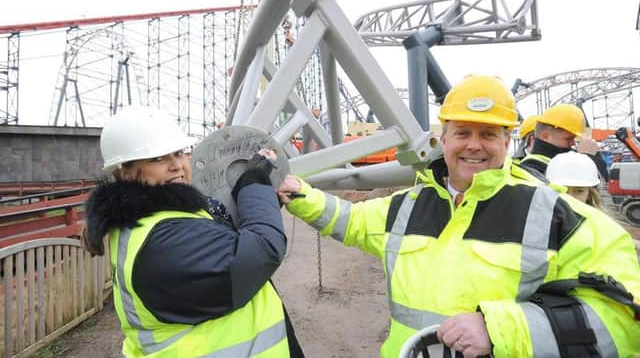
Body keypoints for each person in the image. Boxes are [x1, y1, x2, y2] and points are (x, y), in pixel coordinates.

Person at [278, 75, 640, 358]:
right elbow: (351, 222)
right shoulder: (406, 206)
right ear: (444, 139)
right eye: (462, 132)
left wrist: (500, 330)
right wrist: (297, 192)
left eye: (488, 134)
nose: (473, 144)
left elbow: (624, 318)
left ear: (508, 141)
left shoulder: (558, 216)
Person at [81, 106, 304, 358]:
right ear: (124, 171)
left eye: (179, 153)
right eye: (158, 158)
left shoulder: (154, 215)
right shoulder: (164, 240)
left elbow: (219, 232)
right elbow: (261, 250)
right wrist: (254, 184)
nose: (176, 166)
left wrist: (263, 201)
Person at [519, 103, 609, 181]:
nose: (573, 144)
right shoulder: (530, 168)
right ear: (545, 136)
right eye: (568, 139)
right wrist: (588, 158)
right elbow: (572, 193)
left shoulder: (563, 158)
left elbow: (602, 177)